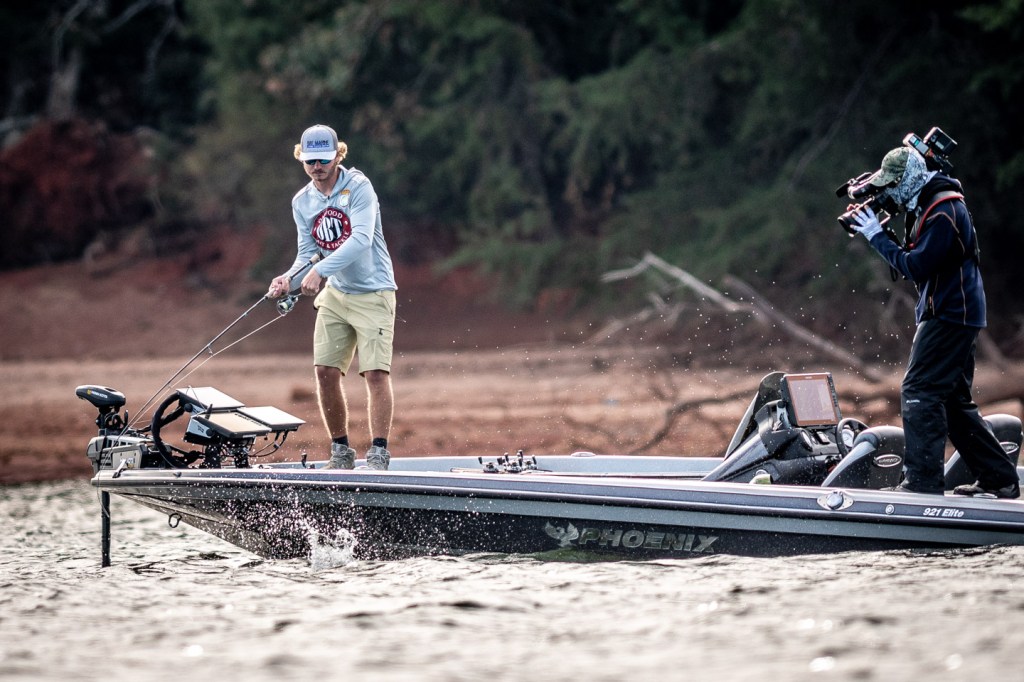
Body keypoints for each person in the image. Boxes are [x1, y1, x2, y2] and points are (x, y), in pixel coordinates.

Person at [849, 145, 1019, 498]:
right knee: (953, 401)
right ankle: (999, 479)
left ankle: (922, 482)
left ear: (911, 179)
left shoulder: (943, 211)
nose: (890, 192)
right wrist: (883, 234)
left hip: (950, 314)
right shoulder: (930, 204)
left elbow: (916, 266)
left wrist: (876, 236)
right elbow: (914, 260)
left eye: (894, 184)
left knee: (919, 391)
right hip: (955, 312)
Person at [268, 124, 397, 470]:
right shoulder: (302, 201)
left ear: (338, 155)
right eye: (310, 161)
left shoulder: (359, 187)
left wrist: (322, 270)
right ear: (301, 159)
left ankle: (379, 454)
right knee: (325, 371)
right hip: (336, 295)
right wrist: (288, 280)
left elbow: (361, 240)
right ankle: (341, 453)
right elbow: (306, 255)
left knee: (375, 374)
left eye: (324, 160)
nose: (317, 167)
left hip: (374, 292)